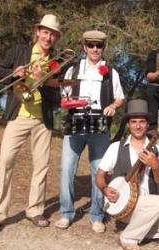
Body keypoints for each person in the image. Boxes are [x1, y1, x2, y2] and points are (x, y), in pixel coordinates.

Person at [0, 14, 62, 235]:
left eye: (52, 34)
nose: (48, 37)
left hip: (42, 120)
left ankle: (35, 210)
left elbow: (57, 98)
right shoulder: (20, 51)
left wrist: (42, 80)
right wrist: (13, 73)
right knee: (5, 161)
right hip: (19, 116)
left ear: (56, 38)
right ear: (38, 32)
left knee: (41, 166)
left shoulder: (56, 62)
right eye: (45, 32)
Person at [96, 99, 159, 250]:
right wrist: (105, 188)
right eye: (133, 121)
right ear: (128, 124)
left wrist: (154, 165)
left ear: (148, 124)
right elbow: (100, 175)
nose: (137, 126)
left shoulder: (158, 150)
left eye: (142, 122)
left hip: (150, 207)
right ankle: (128, 237)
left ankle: (140, 230)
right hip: (125, 207)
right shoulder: (115, 148)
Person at [54, 30, 124, 233]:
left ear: (104, 48)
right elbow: (64, 95)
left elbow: (120, 97)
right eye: (91, 45)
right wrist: (68, 103)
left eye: (99, 45)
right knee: (67, 169)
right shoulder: (72, 70)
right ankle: (66, 213)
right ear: (84, 47)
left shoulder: (111, 72)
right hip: (75, 123)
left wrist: (113, 106)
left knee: (98, 171)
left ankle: (96, 215)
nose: (95, 49)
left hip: (100, 125)